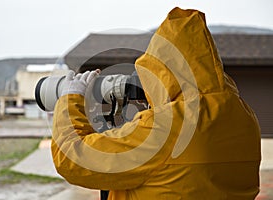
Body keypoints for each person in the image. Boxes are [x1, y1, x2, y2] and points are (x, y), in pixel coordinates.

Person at [51, 7, 261, 199]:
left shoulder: (167, 127)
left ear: (164, 73)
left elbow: (73, 159)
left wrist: (71, 97)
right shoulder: (244, 117)